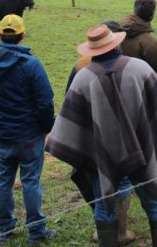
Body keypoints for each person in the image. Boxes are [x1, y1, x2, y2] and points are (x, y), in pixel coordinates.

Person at [46, 24, 157, 247]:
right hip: (143, 149)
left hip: (103, 154)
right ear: (117, 44)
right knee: (153, 200)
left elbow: (71, 126)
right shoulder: (141, 68)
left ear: (92, 51)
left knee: (104, 204)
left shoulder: (83, 78)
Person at [0, 14, 56, 243]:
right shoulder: (31, 64)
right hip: (30, 134)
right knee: (30, 180)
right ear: (22, 35)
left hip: (4, 133)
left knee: (3, 179)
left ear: (0, 34)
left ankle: (5, 228)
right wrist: (45, 128)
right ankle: (37, 231)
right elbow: (44, 102)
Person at [63, 20, 136, 245]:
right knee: (122, 179)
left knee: (97, 179)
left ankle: (103, 232)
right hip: (122, 135)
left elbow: (69, 99)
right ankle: (121, 231)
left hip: (91, 135)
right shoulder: (130, 65)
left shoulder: (80, 66)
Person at [120, 0, 157, 79]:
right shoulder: (151, 43)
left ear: (135, 9)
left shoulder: (116, 32)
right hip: (142, 87)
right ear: (152, 15)